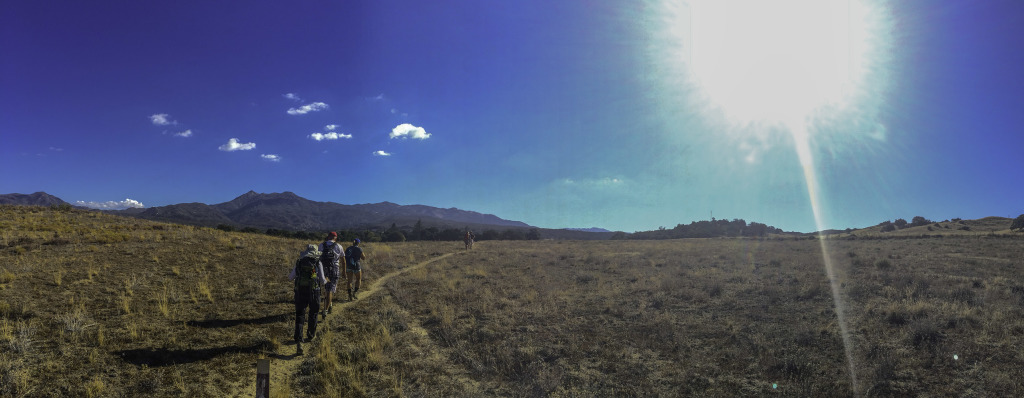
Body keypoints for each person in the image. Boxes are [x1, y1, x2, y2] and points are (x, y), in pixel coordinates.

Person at [288, 244, 327, 355]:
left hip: (300, 292)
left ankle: (299, 340)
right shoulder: (317, 262)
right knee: (313, 313)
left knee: (300, 315)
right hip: (314, 292)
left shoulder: (299, 262)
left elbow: (290, 277)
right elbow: (323, 280)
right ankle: (310, 335)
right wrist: (326, 280)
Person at [319, 232, 343, 316]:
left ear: (328, 236)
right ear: (335, 238)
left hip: (323, 269)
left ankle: (330, 304)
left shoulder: (321, 245)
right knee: (330, 290)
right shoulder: (339, 246)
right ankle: (325, 309)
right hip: (335, 270)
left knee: (326, 288)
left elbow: (317, 258)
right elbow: (343, 259)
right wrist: (344, 271)